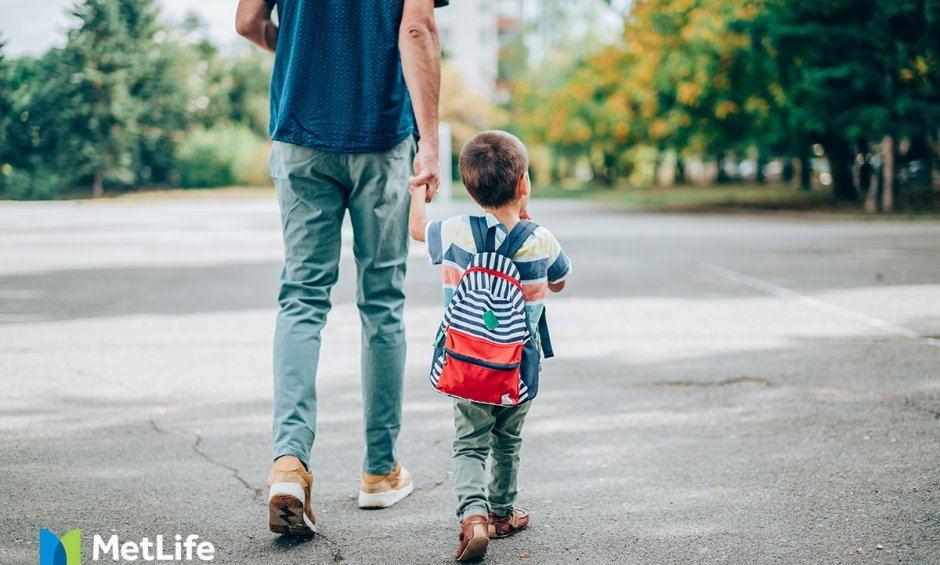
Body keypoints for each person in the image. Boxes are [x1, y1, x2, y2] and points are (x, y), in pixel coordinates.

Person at [234, 0, 448, 536]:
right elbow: (416, 27)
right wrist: (431, 146)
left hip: (300, 130)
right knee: (381, 301)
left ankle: (289, 464)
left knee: (302, 297)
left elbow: (246, 21)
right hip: (380, 134)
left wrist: (307, 54)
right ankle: (379, 471)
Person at [408, 130, 572, 561]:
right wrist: (527, 222)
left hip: (465, 367)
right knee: (507, 440)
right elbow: (558, 281)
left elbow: (416, 230)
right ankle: (501, 514)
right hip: (517, 368)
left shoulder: (456, 231)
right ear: (523, 185)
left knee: (469, 443)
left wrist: (419, 189)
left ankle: (473, 518)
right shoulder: (542, 239)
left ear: (469, 187)